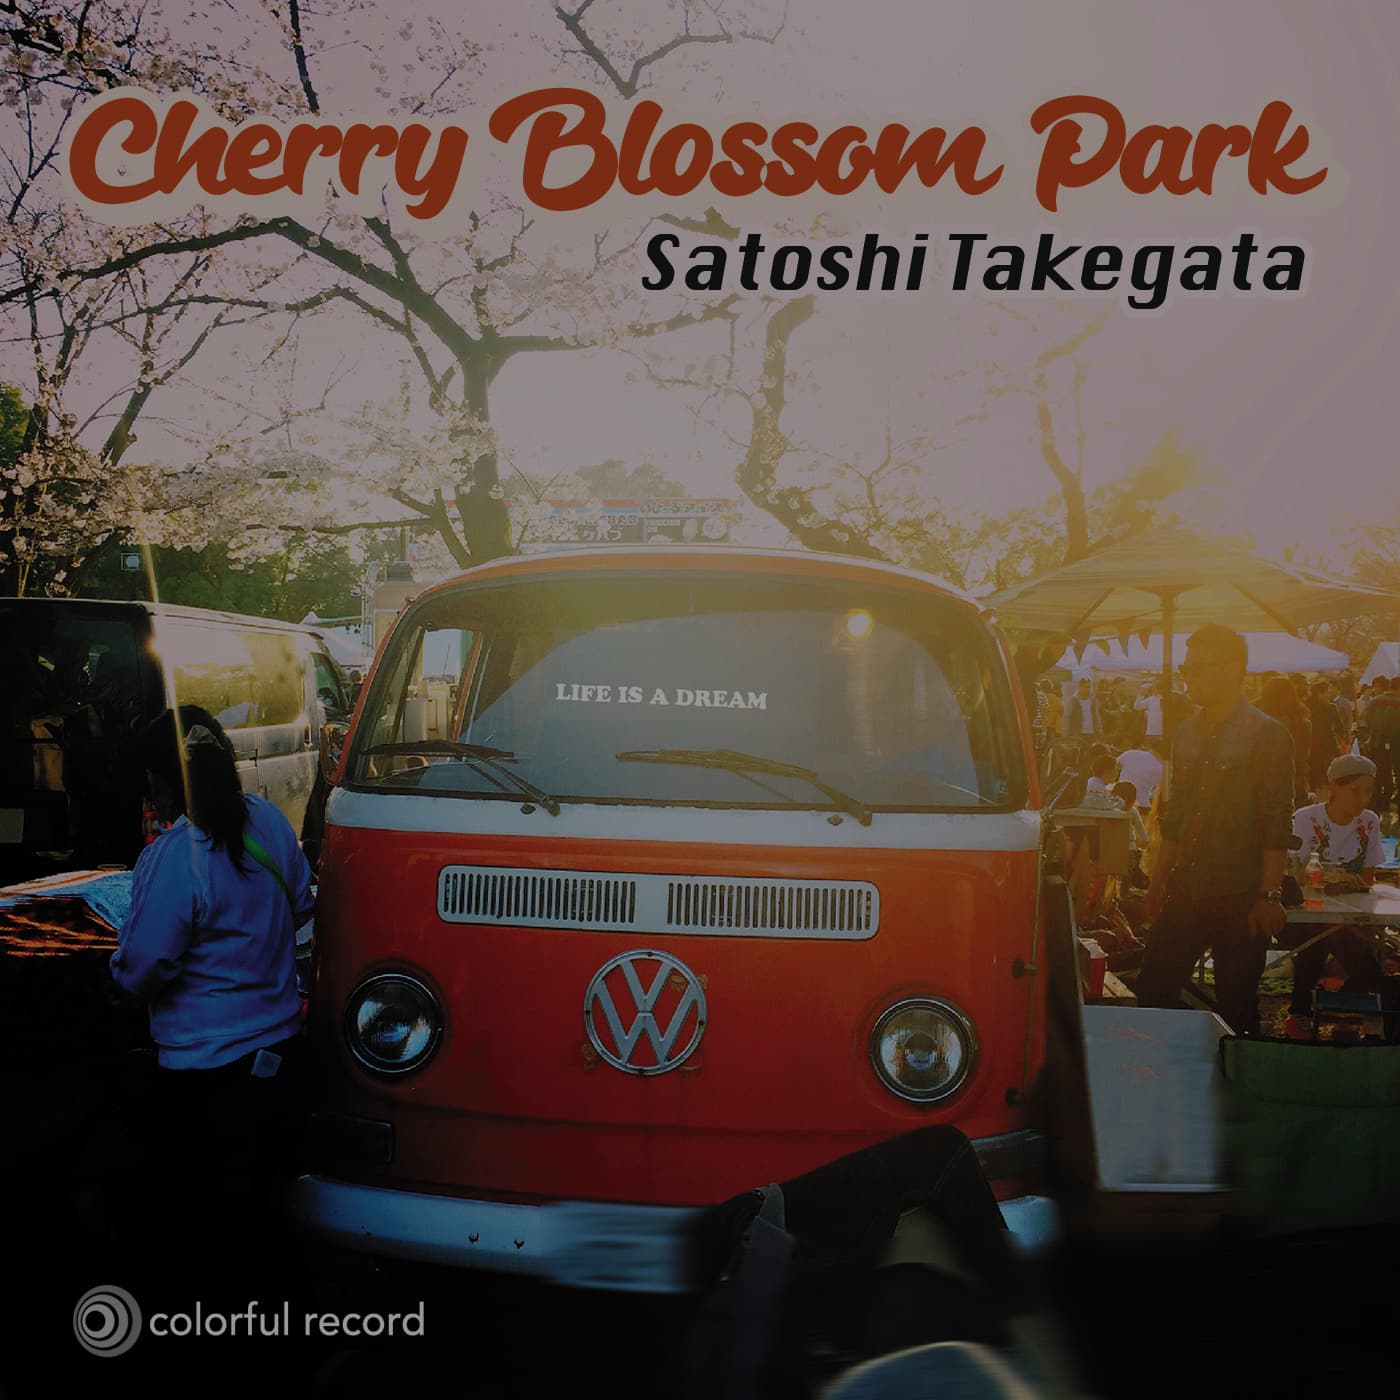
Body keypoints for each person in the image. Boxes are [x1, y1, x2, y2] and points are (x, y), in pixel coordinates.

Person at [109, 704, 314, 1301]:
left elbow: (143, 968)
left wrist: (113, 978)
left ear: (162, 780)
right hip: (279, 1061)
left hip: (205, 1082)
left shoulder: (177, 855)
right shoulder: (270, 823)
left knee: (207, 1233)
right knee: (264, 1219)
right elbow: (303, 903)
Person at [1136, 626, 1292, 1037]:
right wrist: (1157, 882)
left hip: (1240, 892)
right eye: (1186, 668)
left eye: (1197, 668)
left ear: (1232, 669)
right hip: (1187, 885)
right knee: (1153, 988)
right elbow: (1175, 815)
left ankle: (1234, 1076)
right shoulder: (1186, 731)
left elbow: (1276, 819)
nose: (1188, 677)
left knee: (1236, 1005)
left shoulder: (1267, 734)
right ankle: (1167, 1067)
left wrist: (1269, 894)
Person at [1281, 753, 1386, 1040]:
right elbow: (1292, 875)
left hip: (1345, 914)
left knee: (1338, 938)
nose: (1362, 799)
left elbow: (1366, 879)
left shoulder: (1369, 822)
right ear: (1333, 787)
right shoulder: (1305, 819)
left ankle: (1309, 1013)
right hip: (1301, 913)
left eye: (1368, 791)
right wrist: (1335, 878)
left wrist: (1337, 881)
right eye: (1355, 790)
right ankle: (1324, 1014)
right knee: (1323, 936)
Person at [1258, 675, 1312, 806]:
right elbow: (1303, 757)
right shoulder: (1303, 724)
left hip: (1263, 785)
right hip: (1294, 783)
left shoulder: (1258, 723)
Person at [1307, 679, 1345, 794]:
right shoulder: (1331, 708)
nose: (1329, 695)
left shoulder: (1306, 706)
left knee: (1312, 774)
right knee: (1326, 774)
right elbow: (1339, 727)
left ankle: (1313, 795)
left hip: (1310, 746)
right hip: (1326, 746)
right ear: (1320, 693)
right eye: (1327, 692)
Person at [1116, 737, 1165, 811]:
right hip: (1142, 805)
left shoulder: (1130, 753)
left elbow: (1114, 766)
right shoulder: (1161, 768)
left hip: (1118, 801)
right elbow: (1159, 793)